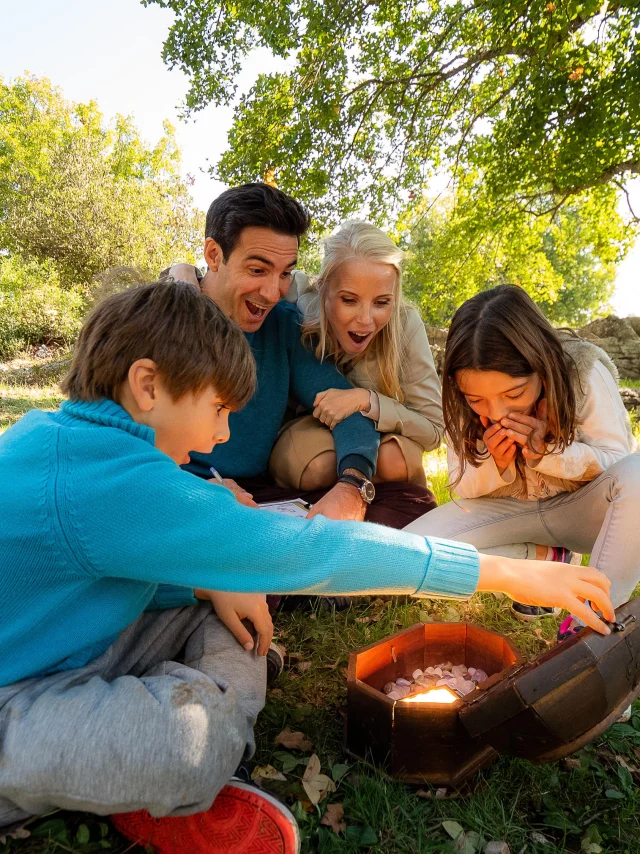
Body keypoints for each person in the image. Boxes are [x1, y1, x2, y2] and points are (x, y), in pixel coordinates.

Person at [0, 280, 614, 854]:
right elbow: (311, 551)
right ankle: (168, 772)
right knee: (194, 745)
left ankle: (139, 754)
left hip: (77, 647)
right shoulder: (108, 480)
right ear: (148, 385)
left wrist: (204, 579)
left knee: (237, 610)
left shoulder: (66, 438)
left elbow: (107, 562)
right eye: (217, 409)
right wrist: (506, 574)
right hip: (17, 697)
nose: (218, 438)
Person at [168, 184, 437, 531]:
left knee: (409, 508)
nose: (271, 292)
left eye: (284, 273)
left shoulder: (283, 323)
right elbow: (117, 449)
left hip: (259, 494)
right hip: (175, 489)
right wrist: (197, 490)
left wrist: (352, 486)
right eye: (257, 270)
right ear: (213, 254)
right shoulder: (163, 319)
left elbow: (350, 414)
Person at [403, 285, 639, 637]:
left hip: (584, 515)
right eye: (477, 400)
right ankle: (545, 560)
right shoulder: (457, 400)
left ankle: (590, 625)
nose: (496, 413)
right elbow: (461, 485)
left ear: (542, 369)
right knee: (409, 557)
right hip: (512, 513)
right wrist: (497, 463)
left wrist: (549, 454)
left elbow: (619, 465)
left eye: (514, 394)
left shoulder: (583, 372)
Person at [267, 220, 442, 491]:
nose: (365, 320)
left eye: (382, 302)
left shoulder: (406, 324)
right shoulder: (296, 298)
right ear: (323, 287)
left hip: (381, 427)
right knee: (320, 465)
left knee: (394, 459)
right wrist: (184, 273)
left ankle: (378, 505)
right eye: (349, 300)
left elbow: (433, 430)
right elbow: (232, 279)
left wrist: (366, 401)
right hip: (310, 430)